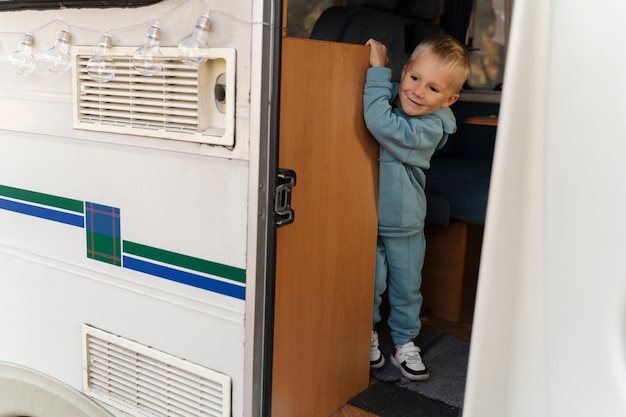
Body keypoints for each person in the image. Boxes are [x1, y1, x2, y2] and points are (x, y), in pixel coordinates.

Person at [364, 35, 470, 381]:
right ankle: (365, 334)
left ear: (449, 100)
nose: (419, 92)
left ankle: (405, 342)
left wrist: (379, 72)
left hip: (406, 223)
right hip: (367, 218)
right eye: (414, 79)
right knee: (369, 283)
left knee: (406, 288)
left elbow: (381, 123)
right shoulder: (394, 100)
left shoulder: (431, 127)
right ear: (406, 72)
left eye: (434, 89)